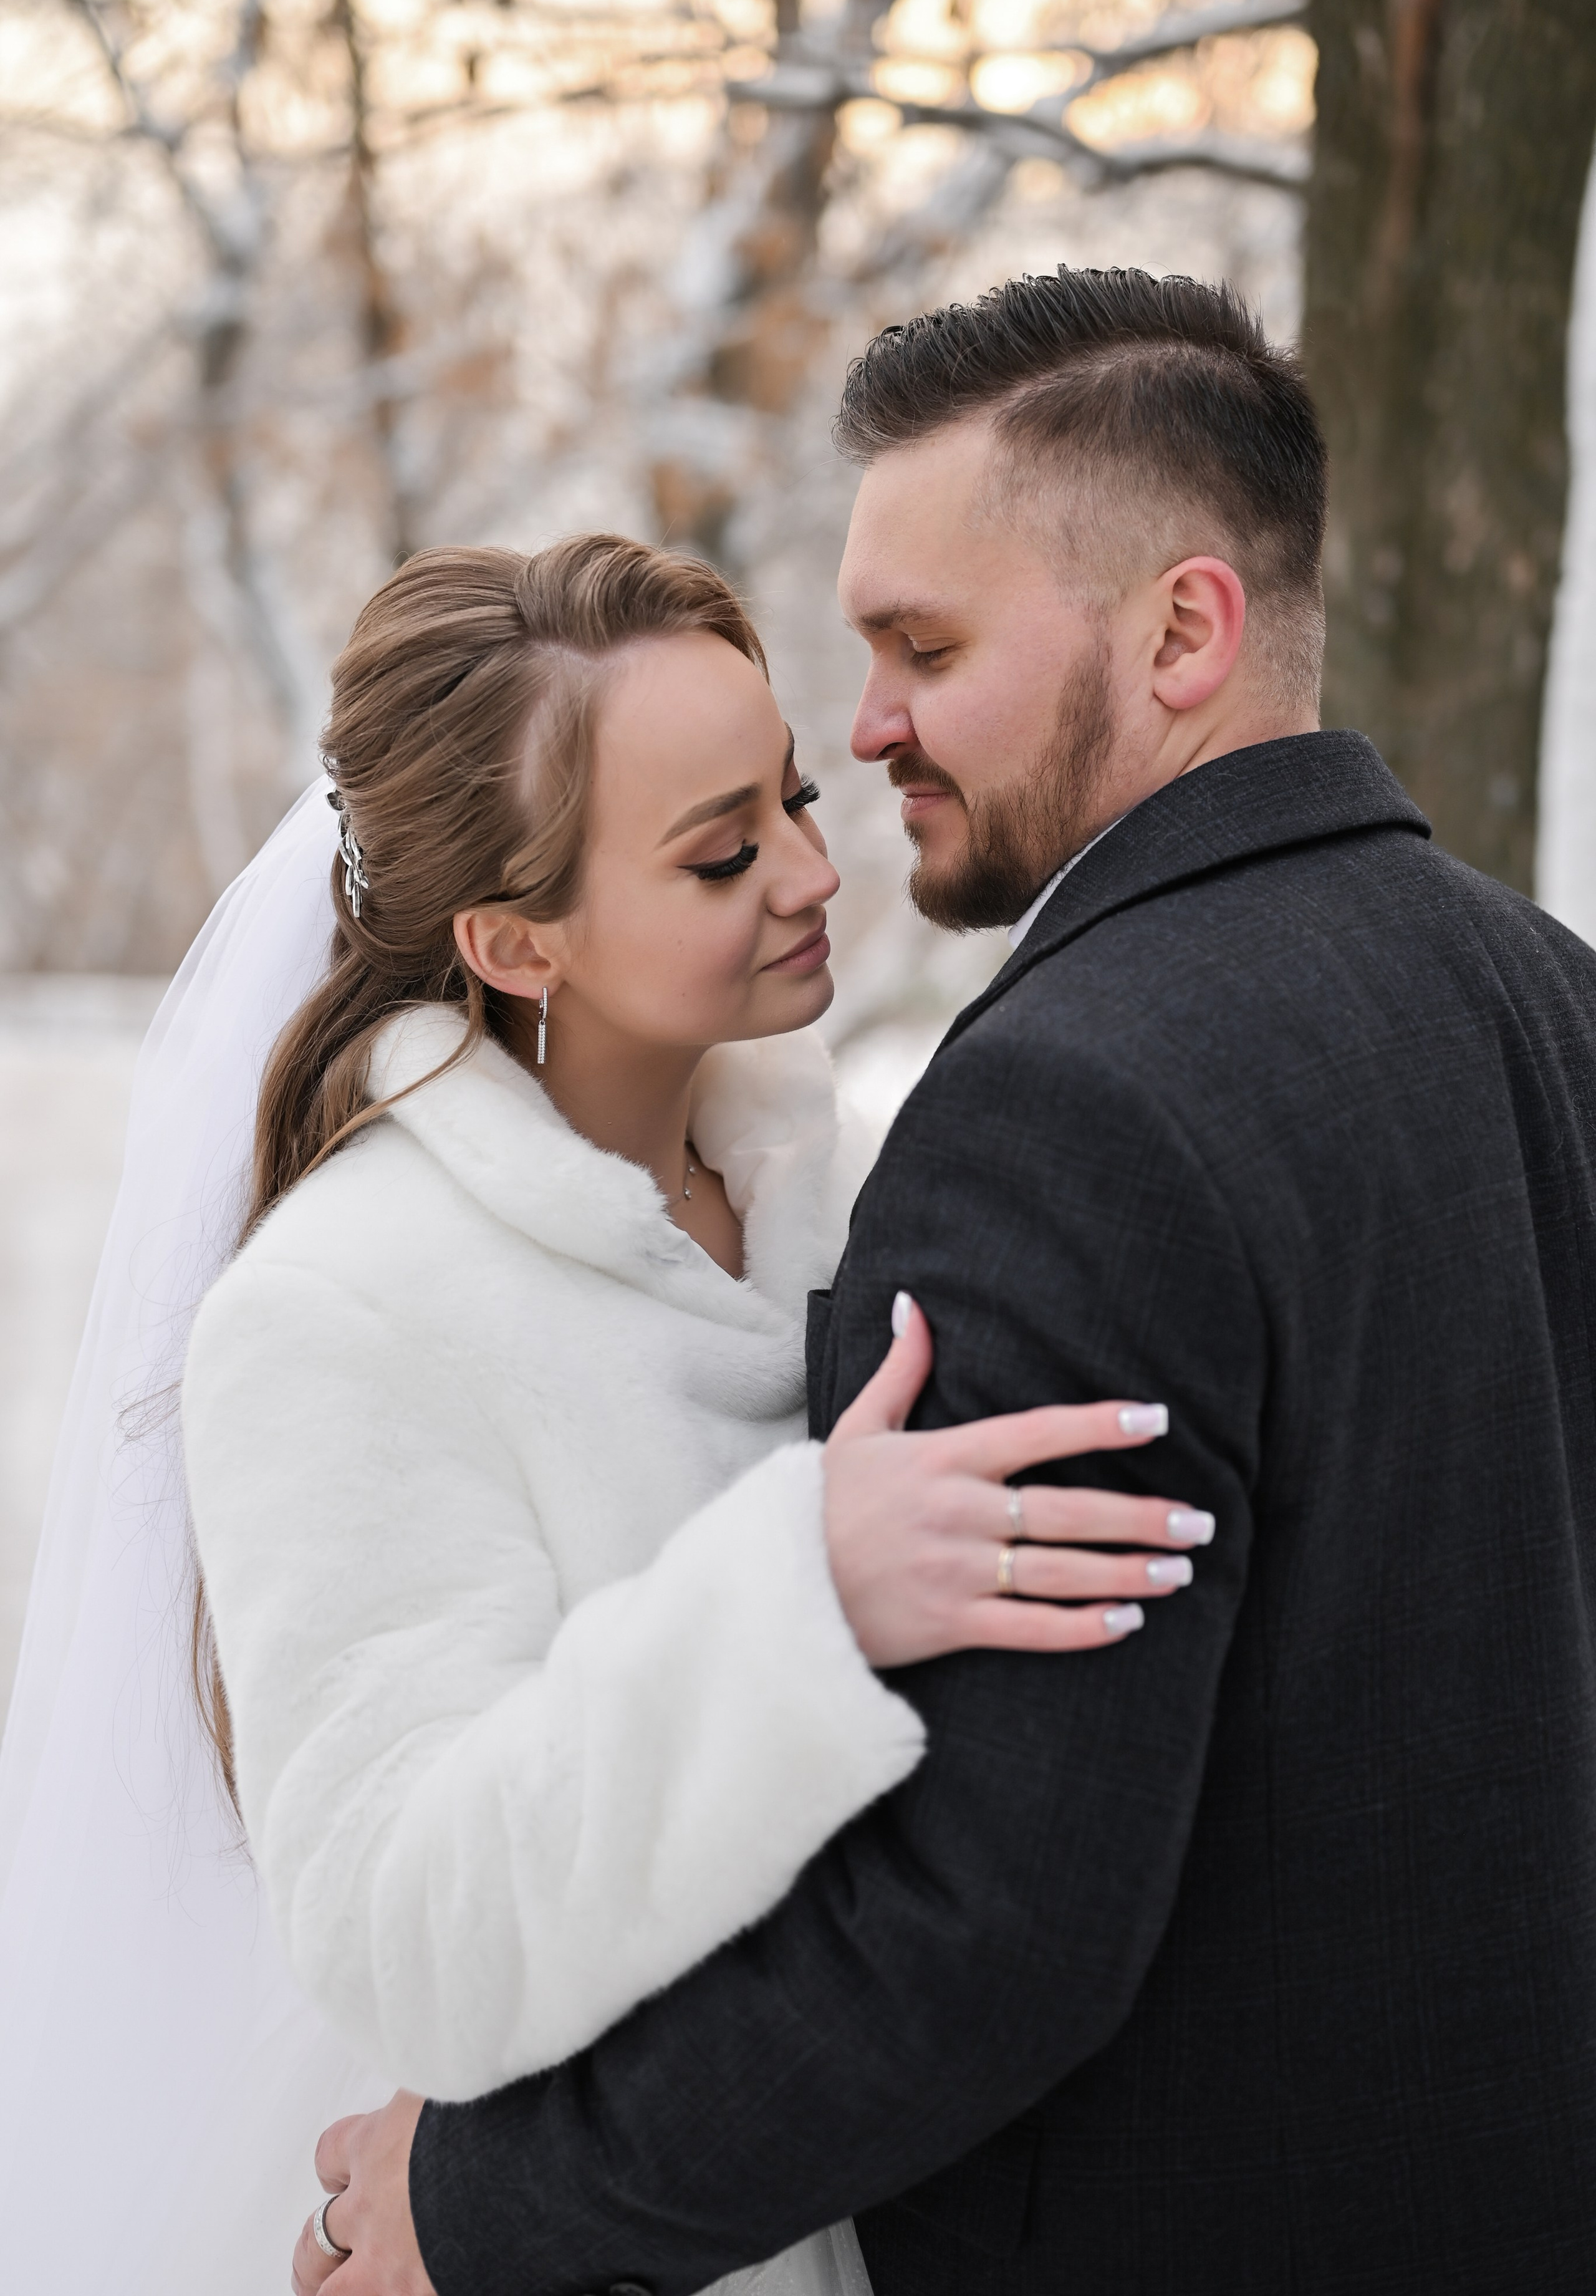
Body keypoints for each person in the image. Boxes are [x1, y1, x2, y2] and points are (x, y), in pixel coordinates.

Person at [309, 266, 1596, 2296]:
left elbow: (983, 1929)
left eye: (926, 644)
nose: (872, 720)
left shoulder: (1067, 1117)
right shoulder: (1549, 999)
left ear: (1187, 629)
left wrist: (482, 2209)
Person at [178, 533, 1206, 2294]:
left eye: (795, 795)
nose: (817, 869)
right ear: (514, 938)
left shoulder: (847, 1185)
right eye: (725, 850)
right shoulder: (336, 1309)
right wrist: (797, 1591)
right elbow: (405, 1926)